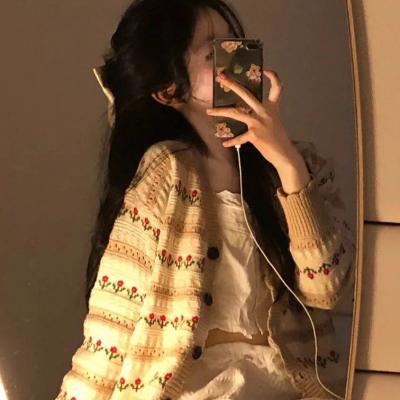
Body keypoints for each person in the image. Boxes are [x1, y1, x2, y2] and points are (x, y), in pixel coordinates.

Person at [54, 1, 356, 399]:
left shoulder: (302, 166)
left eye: (237, 43)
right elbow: (113, 321)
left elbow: (328, 288)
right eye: (214, 53)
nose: (238, 60)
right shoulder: (166, 170)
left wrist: (287, 163)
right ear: (169, 90)